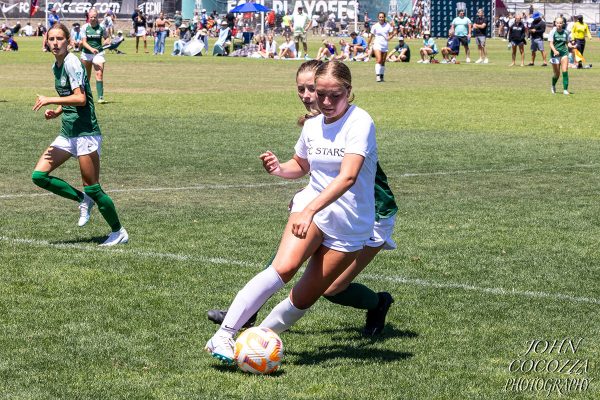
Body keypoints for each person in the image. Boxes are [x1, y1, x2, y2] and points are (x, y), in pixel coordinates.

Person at [205, 61, 381, 363]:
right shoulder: (312, 125)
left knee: (304, 295)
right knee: (282, 268)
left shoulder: (360, 122)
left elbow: (348, 176)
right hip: (311, 209)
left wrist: (309, 209)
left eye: (333, 95)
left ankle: (255, 341)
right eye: (319, 93)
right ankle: (223, 335)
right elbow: (301, 165)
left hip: (349, 221)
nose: (324, 102)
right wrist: (278, 168)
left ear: (349, 91)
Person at [31, 23, 128, 247]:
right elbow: (69, 97)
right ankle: (82, 200)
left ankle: (118, 231)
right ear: (46, 41)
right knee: (39, 176)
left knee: (93, 186)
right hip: (67, 131)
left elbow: (81, 99)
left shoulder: (72, 62)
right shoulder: (56, 65)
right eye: (51, 39)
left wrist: (51, 99)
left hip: (85, 132)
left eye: (59, 39)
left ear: (69, 41)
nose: (55, 43)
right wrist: (56, 112)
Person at [81, 8, 110, 103]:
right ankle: (86, 97)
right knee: (86, 76)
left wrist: (106, 41)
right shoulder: (85, 27)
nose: (93, 18)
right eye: (91, 17)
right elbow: (84, 42)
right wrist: (91, 49)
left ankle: (100, 97)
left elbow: (106, 38)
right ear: (88, 17)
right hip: (86, 54)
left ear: (97, 17)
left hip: (99, 54)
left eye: (95, 17)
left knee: (99, 74)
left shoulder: (102, 27)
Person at [549, 17, 575, 95]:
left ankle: (565, 90)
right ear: (555, 23)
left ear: (563, 23)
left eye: (560, 23)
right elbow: (550, 43)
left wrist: (571, 45)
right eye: (557, 23)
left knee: (565, 71)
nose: (559, 25)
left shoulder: (566, 32)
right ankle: (553, 85)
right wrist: (555, 51)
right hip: (555, 55)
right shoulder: (552, 32)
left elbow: (567, 42)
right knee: (557, 74)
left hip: (564, 53)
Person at [368, 12, 396, 82]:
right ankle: (377, 76)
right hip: (377, 44)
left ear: (384, 18)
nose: (381, 18)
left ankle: (381, 76)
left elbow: (389, 38)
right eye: (380, 17)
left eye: (382, 17)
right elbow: (371, 36)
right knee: (379, 59)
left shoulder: (388, 25)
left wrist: (393, 34)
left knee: (383, 62)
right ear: (378, 18)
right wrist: (367, 45)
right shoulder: (375, 26)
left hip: (384, 45)